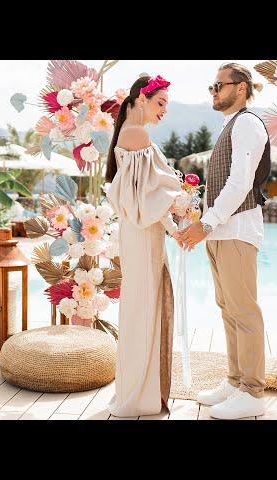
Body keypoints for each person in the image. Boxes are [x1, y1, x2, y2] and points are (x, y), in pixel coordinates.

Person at [177, 63, 271, 419]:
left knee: (244, 311)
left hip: (237, 232)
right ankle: (235, 382)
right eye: (211, 86)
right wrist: (203, 222)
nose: (213, 92)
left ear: (242, 88)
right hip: (222, 232)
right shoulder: (231, 125)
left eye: (219, 85)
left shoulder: (246, 123)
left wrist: (207, 223)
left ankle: (252, 391)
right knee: (229, 309)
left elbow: (239, 183)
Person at [105, 74, 182, 417]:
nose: (164, 110)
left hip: (140, 231)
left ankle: (137, 388)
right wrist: (180, 211)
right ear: (139, 99)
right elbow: (150, 196)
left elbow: (149, 192)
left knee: (140, 305)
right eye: (160, 102)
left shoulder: (130, 134)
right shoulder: (137, 135)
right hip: (142, 231)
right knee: (145, 304)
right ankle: (140, 394)